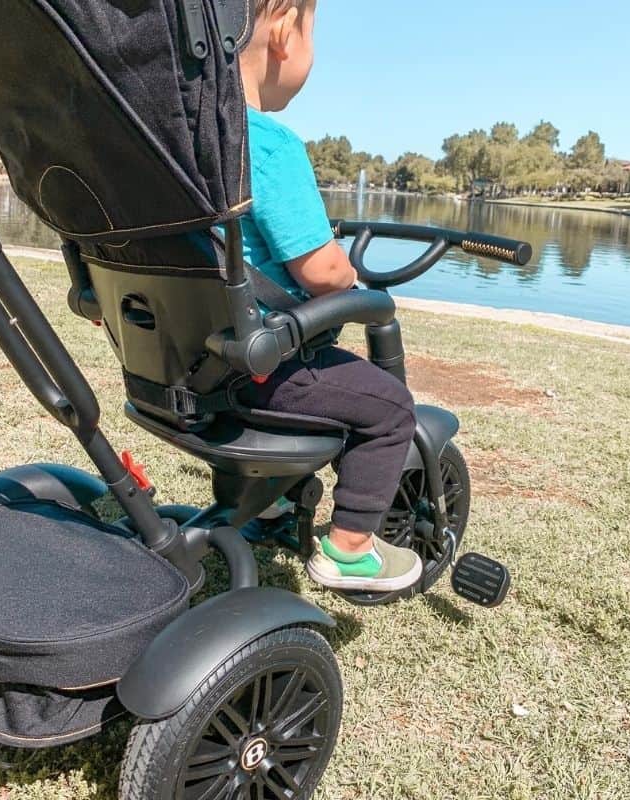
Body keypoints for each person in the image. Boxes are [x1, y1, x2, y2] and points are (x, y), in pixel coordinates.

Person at [238, 0, 421, 592]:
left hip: (188, 368)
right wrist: (339, 263)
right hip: (269, 368)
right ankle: (349, 547)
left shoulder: (174, 147)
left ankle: (262, 507)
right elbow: (325, 274)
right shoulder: (267, 145)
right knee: (389, 407)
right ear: (286, 31)